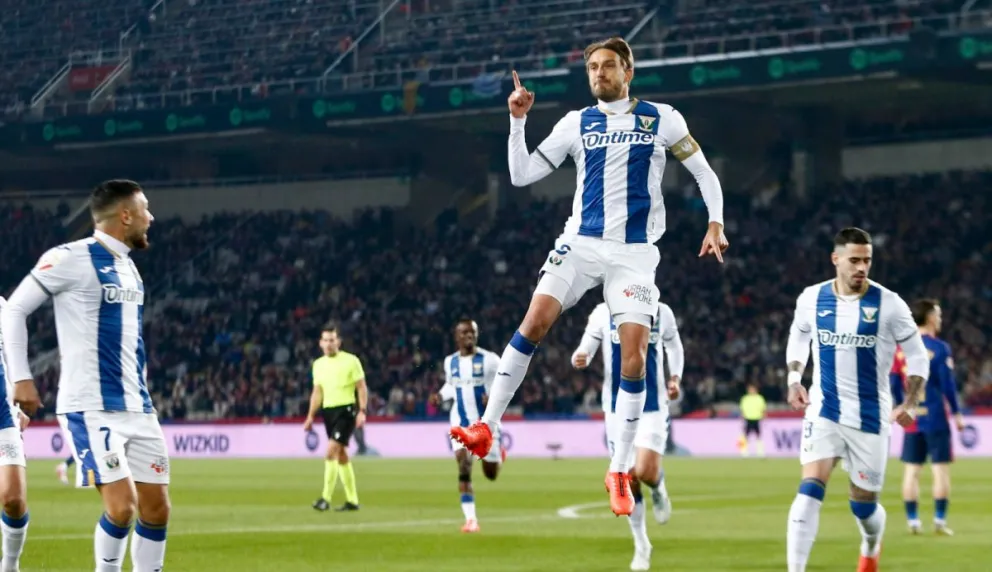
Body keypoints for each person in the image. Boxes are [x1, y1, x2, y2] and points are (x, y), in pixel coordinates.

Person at [449, 36, 727, 517]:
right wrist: (518, 121)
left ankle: (619, 469)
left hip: (634, 254)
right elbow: (521, 174)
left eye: (609, 66)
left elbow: (703, 172)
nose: (599, 73)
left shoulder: (662, 118)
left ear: (628, 71)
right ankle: (486, 426)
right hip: (579, 244)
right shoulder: (576, 123)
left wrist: (715, 221)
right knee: (533, 321)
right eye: (593, 67)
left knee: (636, 355)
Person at [1, 180, 170, 572]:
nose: (151, 217)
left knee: (157, 509)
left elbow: (132, 342)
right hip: (91, 406)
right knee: (122, 507)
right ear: (125, 215)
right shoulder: (70, 257)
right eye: (145, 209)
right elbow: (14, 309)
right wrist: (22, 379)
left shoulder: (130, 269)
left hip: (139, 408)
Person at [783, 227, 929, 572]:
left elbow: (918, 357)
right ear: (836, 260)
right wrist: (793, 379)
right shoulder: (811, 299)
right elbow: (799, 336)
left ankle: (871, 542)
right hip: (825, 409)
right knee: (809, 490)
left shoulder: (890, 304)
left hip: (870, 417)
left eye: (867, 260)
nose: (862, 267)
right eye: (854, 260)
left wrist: (908, 402)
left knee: (863, 507)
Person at [572, 301, 682, 571]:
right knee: (628, 476)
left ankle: (658, 486)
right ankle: (642, 544)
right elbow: (586, 344)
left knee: (644, 471)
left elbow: (674, 347)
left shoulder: (661, 311)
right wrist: (581, 355)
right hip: (616, 410)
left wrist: (675, 377)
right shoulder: (602, 312)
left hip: (653, 407)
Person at [891, 298, 964, 535]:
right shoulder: (940, 348)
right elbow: (947, 385)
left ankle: (913, 521)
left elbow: (893, 381)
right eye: (939, 315)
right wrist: (956, 412)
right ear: (931, 317)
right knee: (940, 470)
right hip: (935, 417)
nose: (941, 319)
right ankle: (940, 521)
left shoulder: (901, 350)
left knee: (911, 471)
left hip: (911, 418)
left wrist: (900, 406)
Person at [437, 319, 504, 533]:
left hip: (486, 424)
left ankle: (498, 455)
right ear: (457, 337)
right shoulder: (450, 362)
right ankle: (471, 520)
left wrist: (493, 397)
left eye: (472, 332)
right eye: (464, 333)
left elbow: (506, 383)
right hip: (460, 423)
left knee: (491, 474)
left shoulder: (491, 360)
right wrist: (439, 395)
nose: (469, 336)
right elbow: (451, 384)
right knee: (464, 466)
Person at [304, 325, 368, 512]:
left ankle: (325, 498)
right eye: (326, 340)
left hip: (346, 411)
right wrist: (310, 416)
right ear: (320, 343)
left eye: (332, 340)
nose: (329, 344)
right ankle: (352, 500)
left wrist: (362, 410)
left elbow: (361, 387)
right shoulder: (318, 365)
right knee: (341, 455)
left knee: (330, 452)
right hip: (328, 412)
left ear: (338, 342)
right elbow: (317, 392)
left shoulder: (351, 361)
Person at [0, 297, 30, 572]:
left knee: (13, 499)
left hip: (2, 417)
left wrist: (17, 404)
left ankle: (9, 565)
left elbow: (11, 361)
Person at [738, 384, 767, 457]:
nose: (751, 391)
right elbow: (742, 409)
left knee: (758, 436)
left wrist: (764, 416)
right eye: (750, 389)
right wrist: (742, 417)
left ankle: (760, 452)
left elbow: (763, 408)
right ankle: (743, 451)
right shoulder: (745, 398)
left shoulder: (760, 398)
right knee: (745, 436)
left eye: (753, 389)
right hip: (748, 418)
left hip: (757, 418)